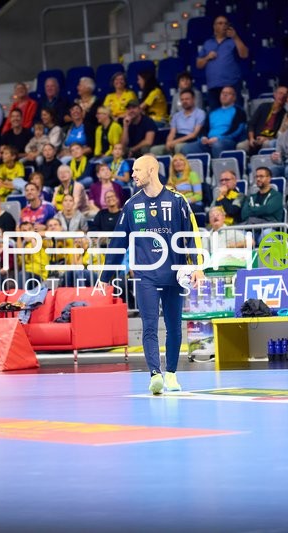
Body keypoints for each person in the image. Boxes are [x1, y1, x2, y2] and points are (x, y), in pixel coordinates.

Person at [99, 154, 205, 394]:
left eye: (137, 170)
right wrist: (106, 277)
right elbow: (117, 242)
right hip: (145, 275)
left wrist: (198, 266)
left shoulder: (178, 201)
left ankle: (172, 374)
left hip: (174, 273)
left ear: (152, 170)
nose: (133, 174)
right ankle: (155, 374)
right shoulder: (131, 205)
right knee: (149, 325)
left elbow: (192, 236)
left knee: (174, 326)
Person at [195, 15, 249, 111]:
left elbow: (244, 55)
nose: (224, 25)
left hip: (231, 84)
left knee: (235, 114)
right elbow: (199, 64)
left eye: (225, 23)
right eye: (220, 23)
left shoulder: (233, 41)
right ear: (214, 26)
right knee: (216, 115)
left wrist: (235, 37)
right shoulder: (207, 43)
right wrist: (207, 57)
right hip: (213, 86)